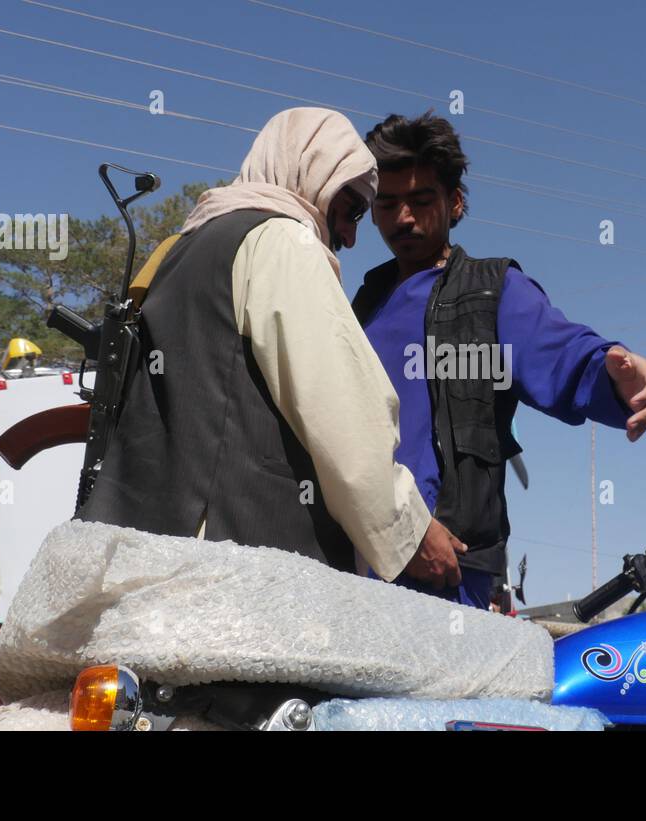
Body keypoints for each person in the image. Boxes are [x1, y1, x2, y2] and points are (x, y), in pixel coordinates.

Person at [79, 107, 465, 588]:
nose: (350, 235)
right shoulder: (282, 241)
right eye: (350, 209)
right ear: (309, 174)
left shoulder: (181, 247)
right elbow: (342, 413)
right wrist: (410, 531)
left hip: (158, 564)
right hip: (236, 577)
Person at [351, 112, 646, 610]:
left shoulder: (490, 291)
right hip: (360, 559)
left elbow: (560, 352)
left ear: (455, 202)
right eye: (386, 204)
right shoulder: (364, 304)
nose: (403, 218)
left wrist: (614, 372)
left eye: (421, 200)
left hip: (449, 567)